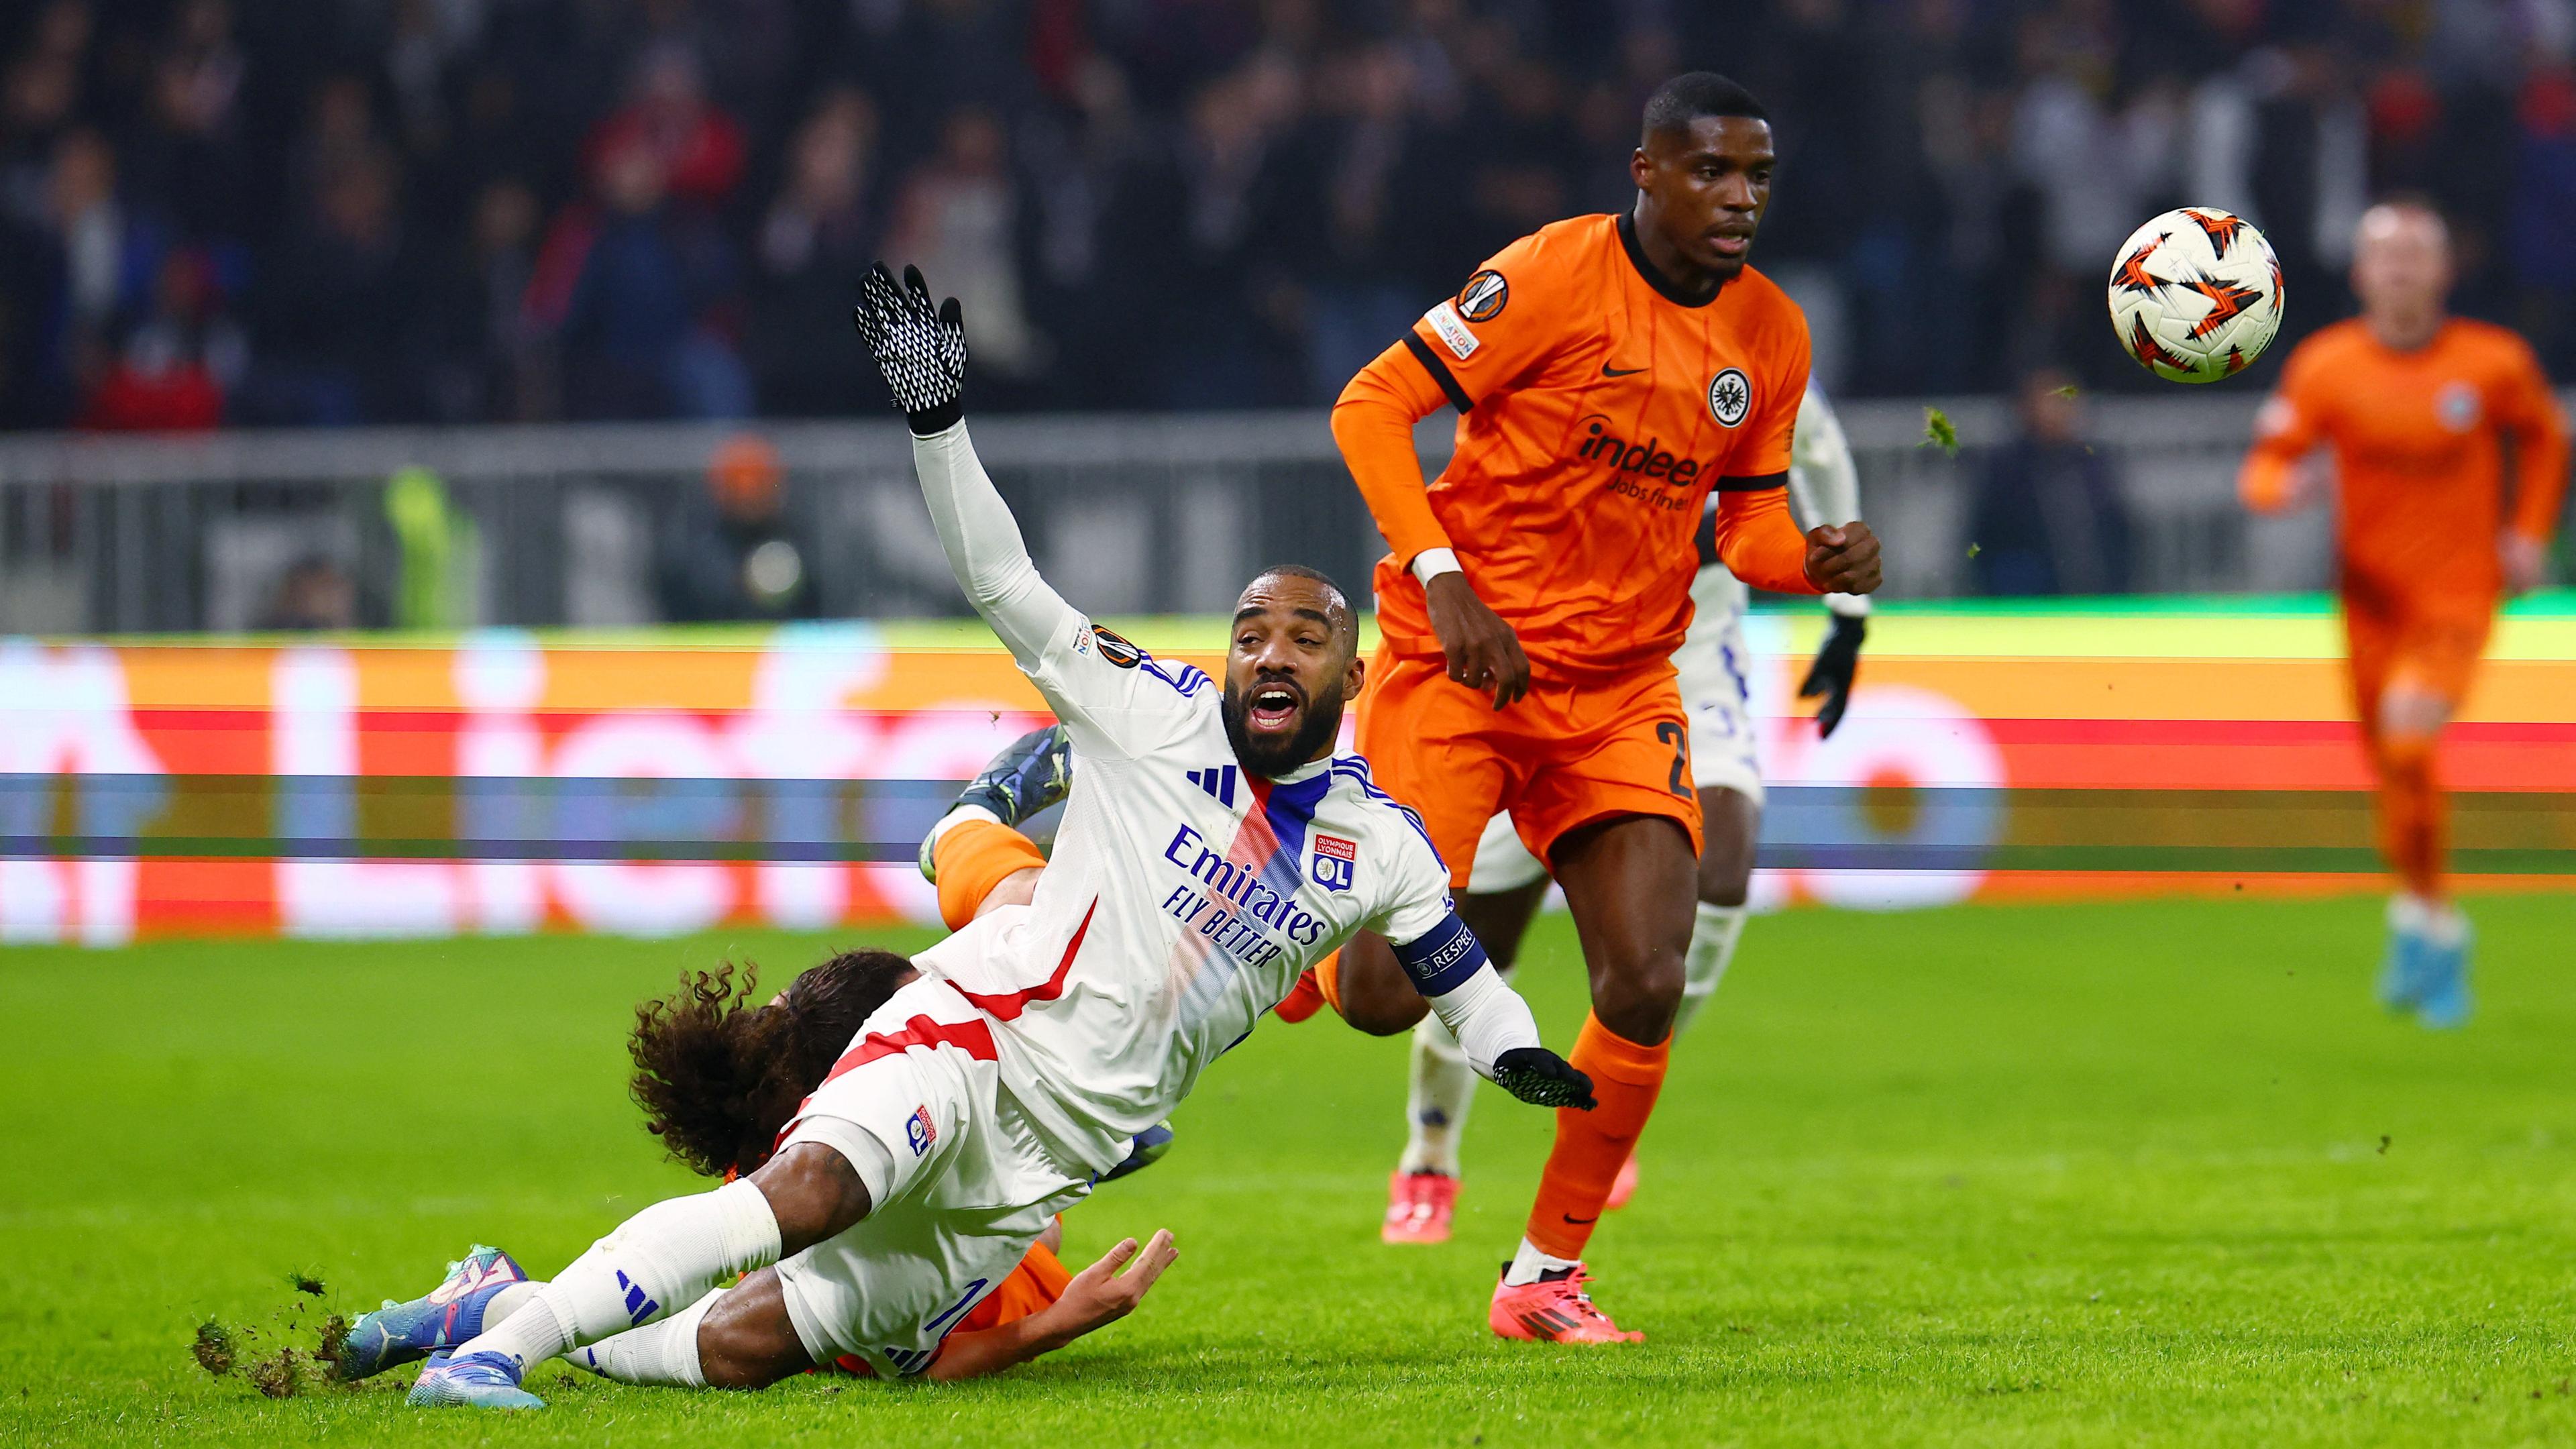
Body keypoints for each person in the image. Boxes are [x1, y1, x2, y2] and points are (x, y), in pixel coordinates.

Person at [390, 263, 1589, 1409]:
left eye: (1302, 637)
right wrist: (940, 427)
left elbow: (1458, 979)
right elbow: (1006, 584)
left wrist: (1520, 1057)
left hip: (1051, 1165)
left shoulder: (1376, 843)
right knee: (800, 1194)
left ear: (1351, 672)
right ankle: (496, 1362)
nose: (1269, 651)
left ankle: (496, 1313)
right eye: (1250, 631)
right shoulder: (1154, 711)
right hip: (975, 1040)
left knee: (768, 1346)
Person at [1321, 71, 1883, 1344]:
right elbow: (1372, 405)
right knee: (1376, 998)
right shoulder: (1549, 276)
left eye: (1757, 178)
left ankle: (1541, 1280)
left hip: (1623, 684)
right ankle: (1313, 929)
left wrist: (1817, 562)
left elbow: (1745, 525)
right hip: (1460, 666)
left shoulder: (1772, 335)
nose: (1740, 200)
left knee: (1646, 971)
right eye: (1711, 173)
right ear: (1646, 173)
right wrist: (1444, 579)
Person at [1375, 381, 1871, 1247]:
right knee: (1466, 940)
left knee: (1719, 867)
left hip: (1691, 632)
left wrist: (1848, 614)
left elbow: (1819, 447)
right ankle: (1430, 1154)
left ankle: (1606, 1100)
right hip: (1542, 636)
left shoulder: (1754, 348)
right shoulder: (1579, 325)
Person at [333, 947, 1184, 1391]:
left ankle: (498, 1308)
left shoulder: (828, 1123)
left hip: (960, 1249)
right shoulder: (834, 1180)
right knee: (737, 1351)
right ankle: (501, 1306)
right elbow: (915, 1362)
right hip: (923, 1305)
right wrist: (1059, 1324)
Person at [2237, 199, 2567, 1028]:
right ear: (2360, 274)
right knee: (2394, 768)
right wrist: (2289, 490)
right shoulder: (2326, 367)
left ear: (2444, 270)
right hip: (2369, 602)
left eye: (2417, 253)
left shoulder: (2492, 363)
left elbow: (2546, 439)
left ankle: (2428, 923)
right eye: (2385, 255)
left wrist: (2526, 534)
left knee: (2411, 728)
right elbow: (2265, 467)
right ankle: (2430, 919)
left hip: (2459, 592)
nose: (2401, 269)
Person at [1969, 367, 2132, 597]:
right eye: (2048, 402)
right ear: (2025, 408)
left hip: (2098, 599)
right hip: (2029, 605)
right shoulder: (2006, 471)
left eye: (2064, 401)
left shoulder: (2093, 463)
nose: (2057, 411)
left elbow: (2118, 531)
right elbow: (1987, 539)